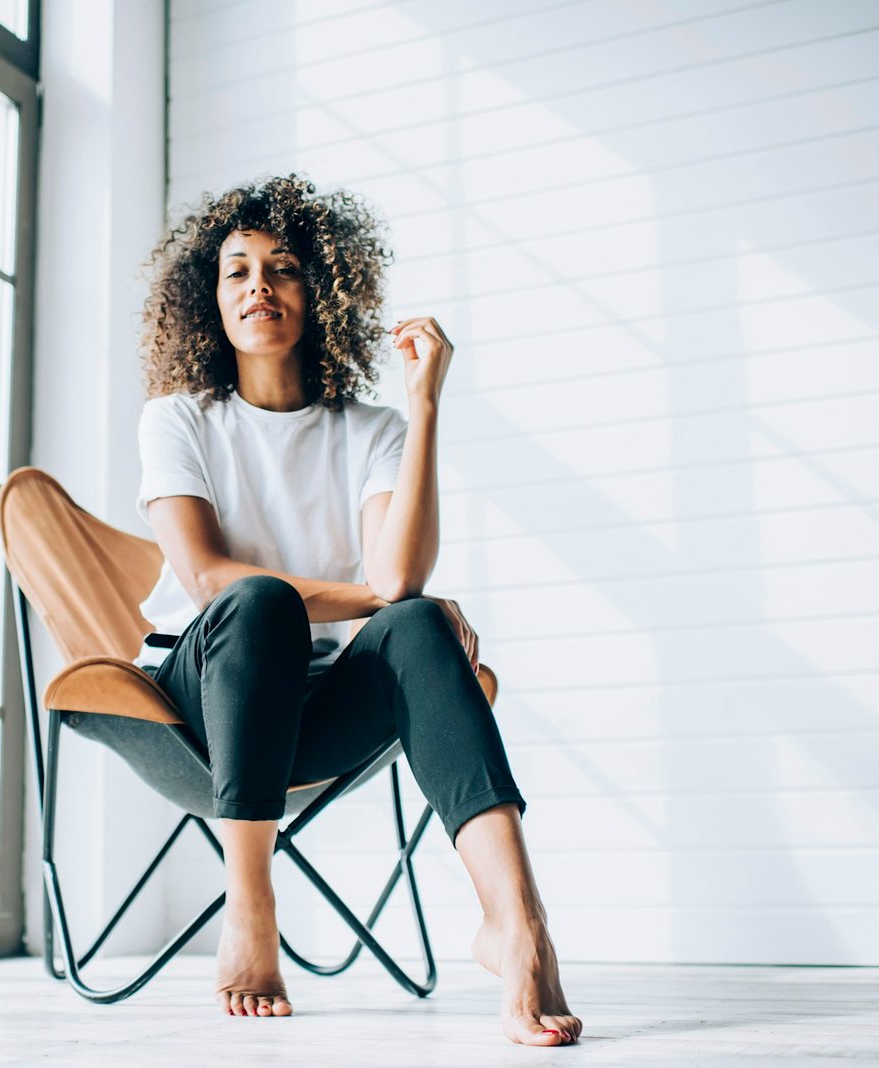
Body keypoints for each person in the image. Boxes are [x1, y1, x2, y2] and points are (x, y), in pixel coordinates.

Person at [133, 174, 582, 1046]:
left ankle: (517, 922)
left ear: (320, 292)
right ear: (208, 300)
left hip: (311, 707)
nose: (259, 284)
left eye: (284, 266)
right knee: (260, 599)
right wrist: (379, 594)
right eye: (236, 271)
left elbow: (402, 580)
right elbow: (207, 578)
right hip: (195, 698)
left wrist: (422, 405)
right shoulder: (178, 419)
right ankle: (251, 905)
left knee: (416, 627)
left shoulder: (370, 430)